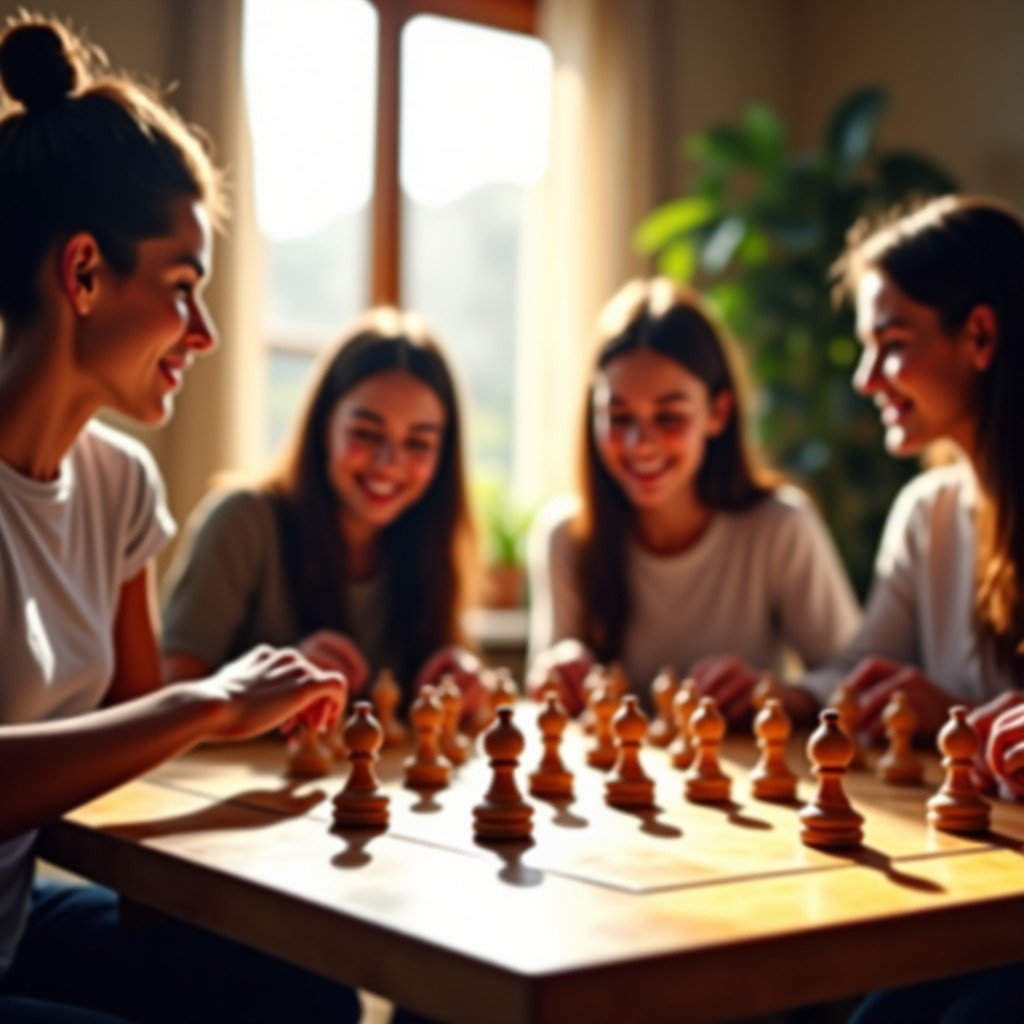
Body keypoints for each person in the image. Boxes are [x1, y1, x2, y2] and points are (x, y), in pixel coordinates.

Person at [0, 16, 358, 1023]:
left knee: (310, 995)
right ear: (81, 274)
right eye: (183, 289)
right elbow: (157, 717)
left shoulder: (119, 487)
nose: (202, 333)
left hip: (16, 924)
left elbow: (128, 744)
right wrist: (207, 703)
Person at [526, 277, 859, 721]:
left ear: (718, 412)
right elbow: (548, 694)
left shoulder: (780, 526)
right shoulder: (566, 536)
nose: (640, 445)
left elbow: (854, 677)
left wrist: (779, 695)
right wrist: (556, 673)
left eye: (669, 416)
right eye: (618, 416)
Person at [162, 307, 485, 716]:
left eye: (419, 443)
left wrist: (465, 681)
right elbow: (169, 694)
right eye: (366, 433)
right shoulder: (241, 520)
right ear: (322, 426)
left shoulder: (430, 541)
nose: (389, 463)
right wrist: (268, 685)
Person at [805, 195, 1024, 741]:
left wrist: (954, 715)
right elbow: (860, 672)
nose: (865, 380)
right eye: (865, 348)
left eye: (893, 344)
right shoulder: (928, 512)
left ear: (980, 336)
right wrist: (782, 694)